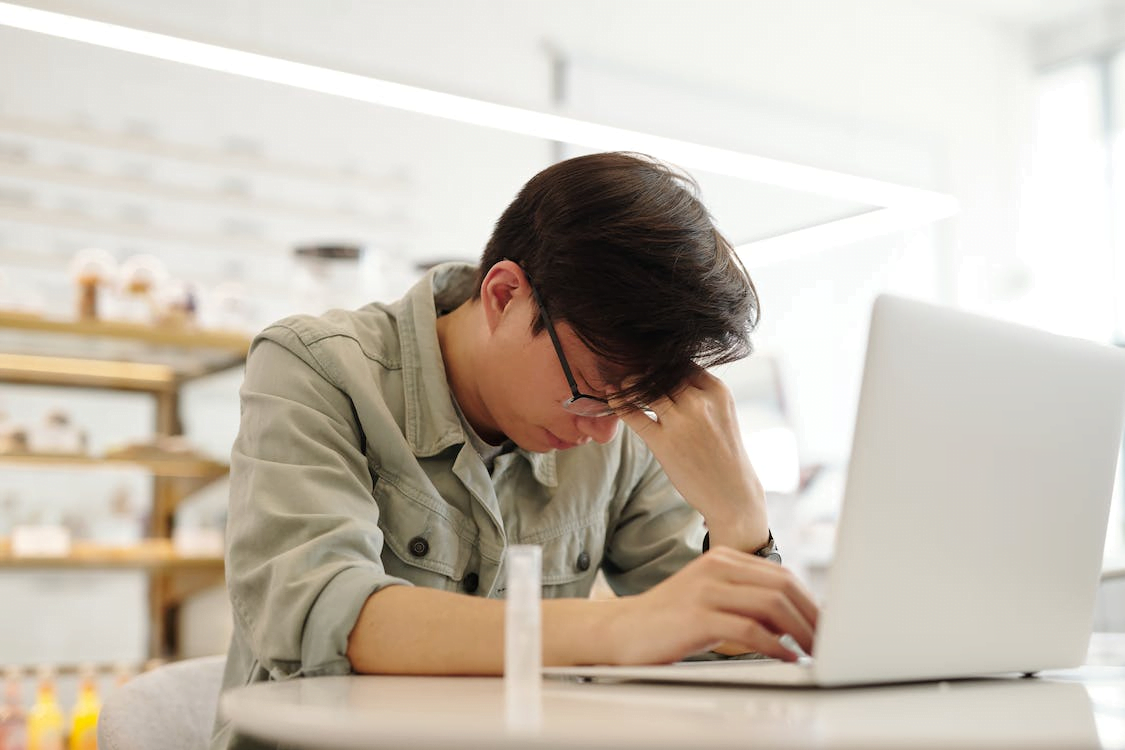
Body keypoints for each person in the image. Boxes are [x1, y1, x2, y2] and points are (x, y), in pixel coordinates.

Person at [211, 152, 819, 749]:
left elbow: (725, 645)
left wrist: (740, 518)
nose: (604, 431)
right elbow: (324, 616)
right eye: (592, 387)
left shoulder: (608, 426)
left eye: (630, 402)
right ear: (504, 296)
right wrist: (626, 628)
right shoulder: (316, 368)